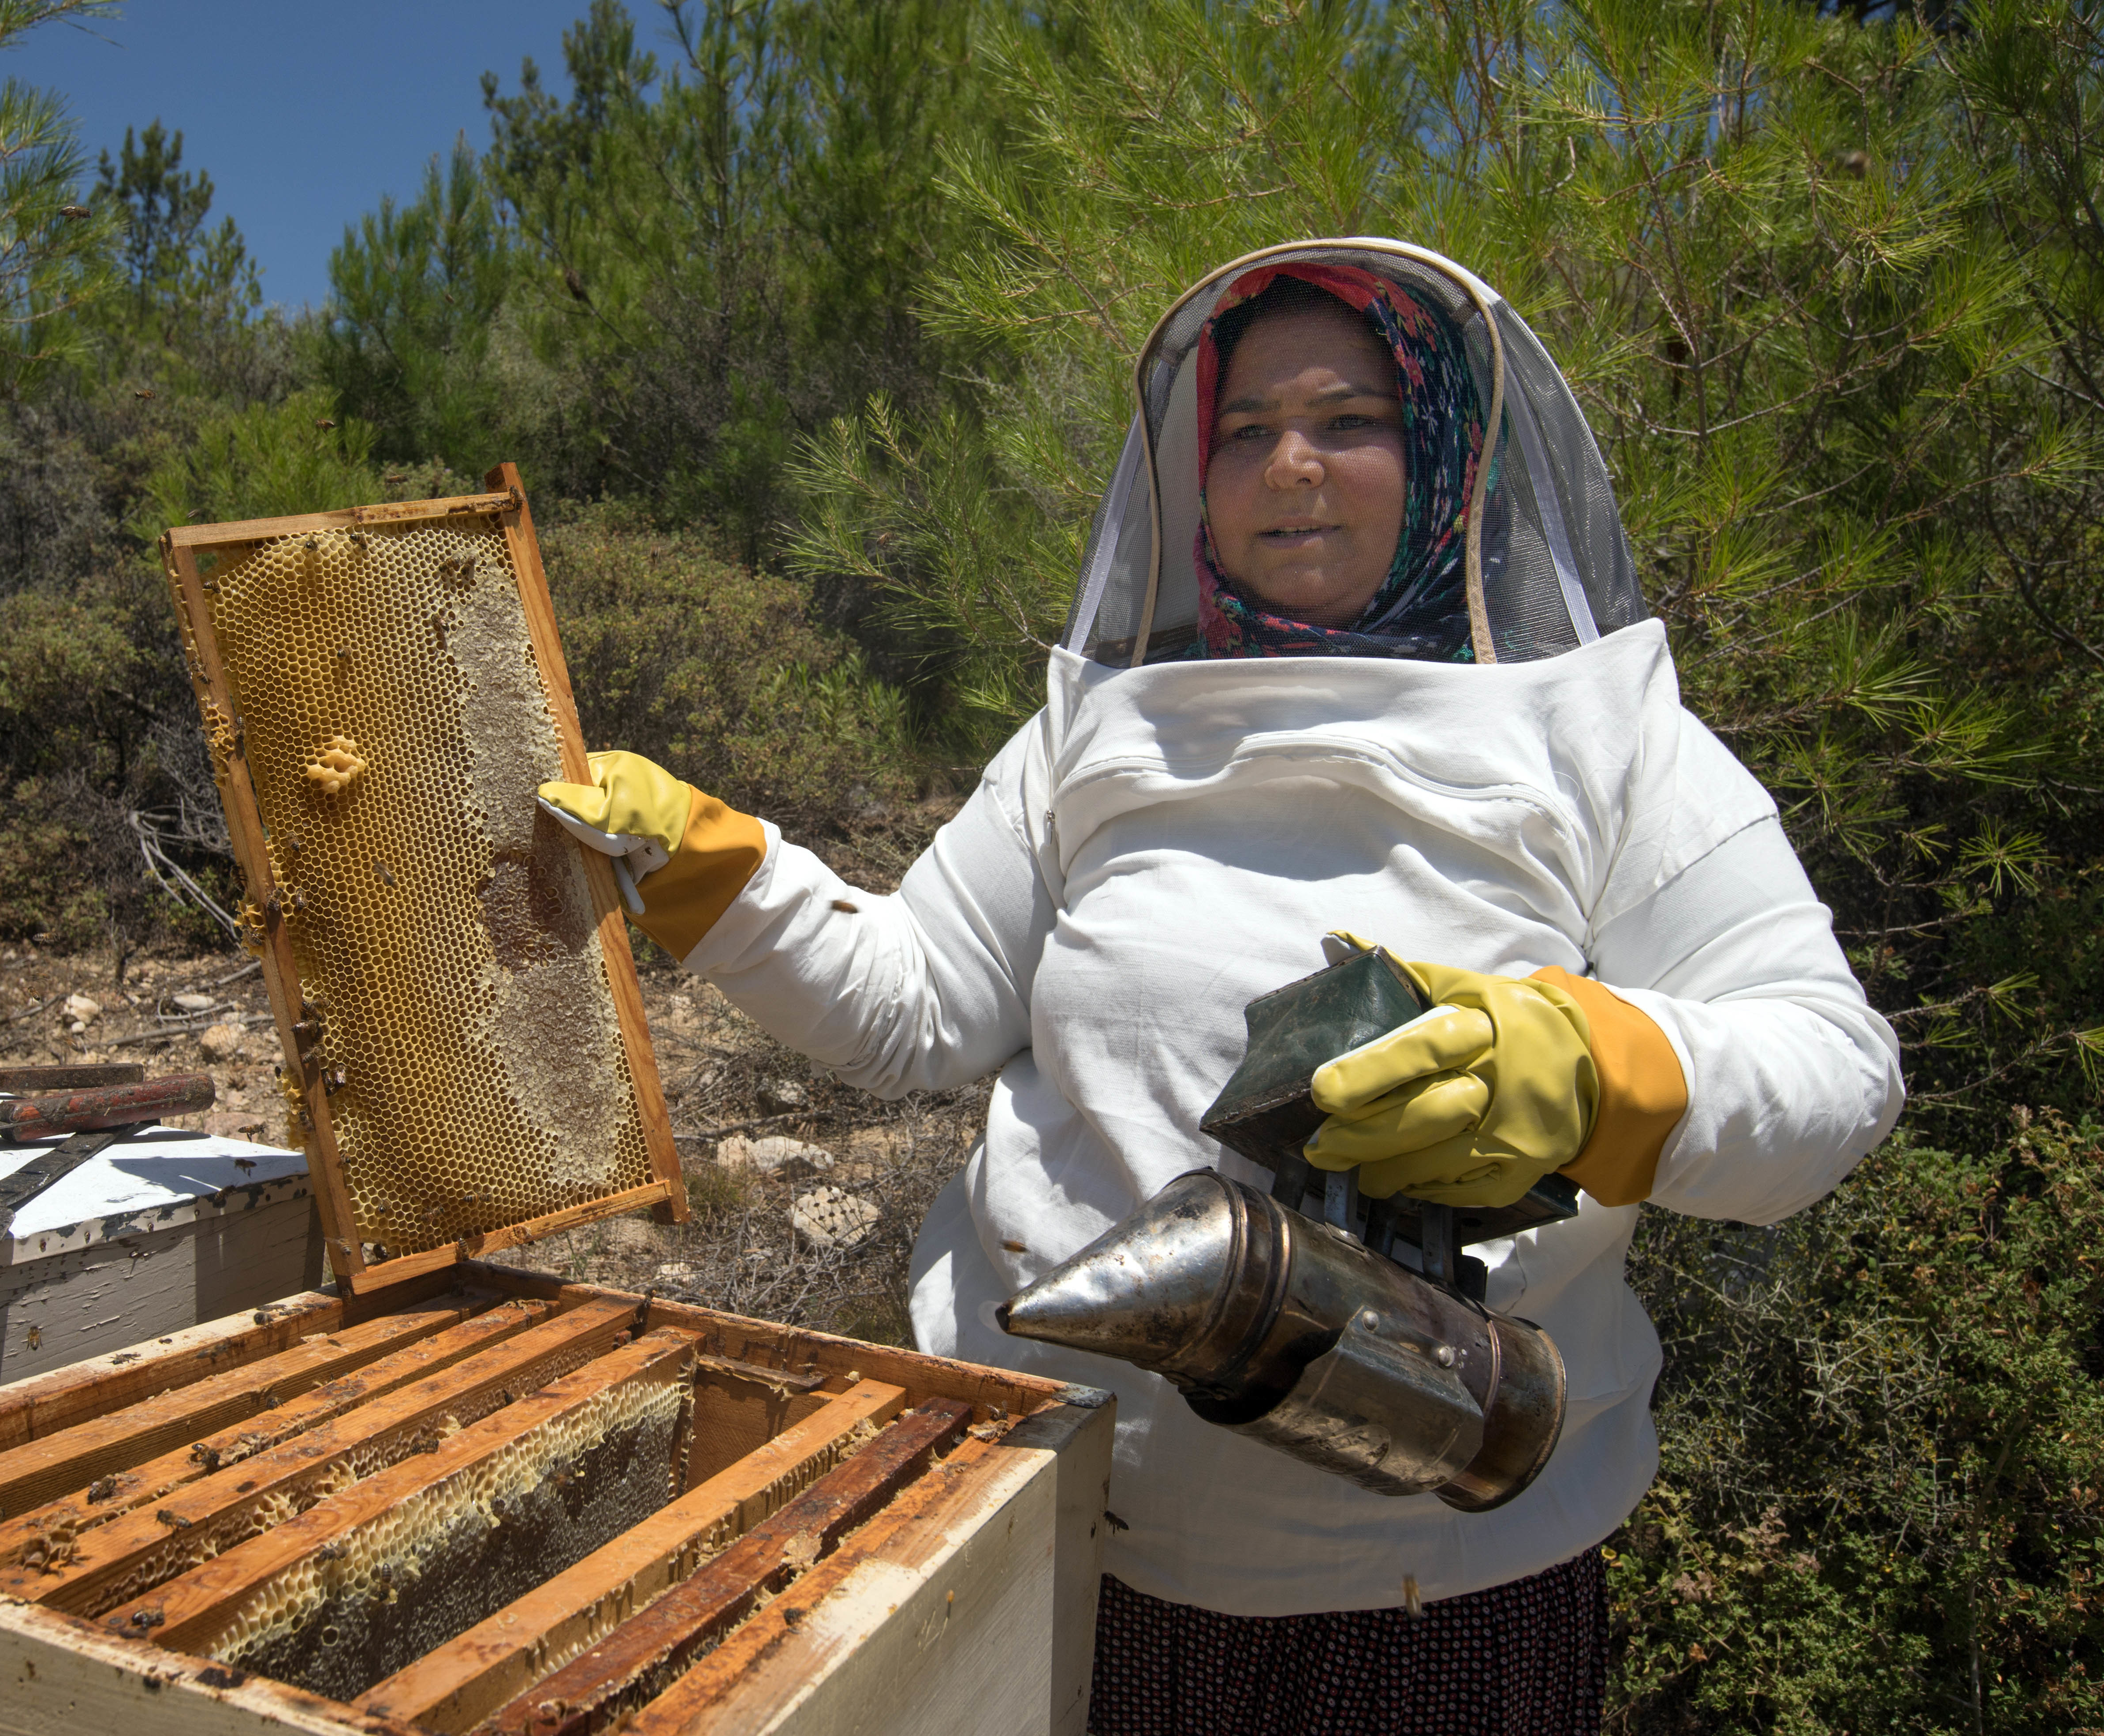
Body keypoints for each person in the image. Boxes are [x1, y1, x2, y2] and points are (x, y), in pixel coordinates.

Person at [536, 239, 1903, 1734]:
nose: (1289, 466)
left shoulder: (1605, 732)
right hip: (1060, 1524)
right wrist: (713, 872)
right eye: (1244, 431)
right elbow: (914, 1004)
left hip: (1437, 1595)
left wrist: (1596, 1073)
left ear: (1445, 450)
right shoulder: (1094, 733)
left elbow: (1830, 1067)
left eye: (1347, 420)